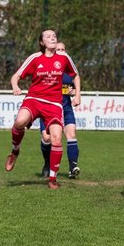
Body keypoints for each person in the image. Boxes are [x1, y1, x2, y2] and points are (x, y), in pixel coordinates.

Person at [7, 29, 79, 189]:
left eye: (54, 36)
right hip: (34, 99)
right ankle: (15, 150)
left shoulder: (64, 58)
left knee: (56, 139)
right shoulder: (35, 58)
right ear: (42, 42)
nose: (53, 38)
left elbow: (75, 75)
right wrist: (15, 86)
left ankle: (52, 179)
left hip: (54, 104)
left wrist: (78, 94)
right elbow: (16, 76)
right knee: (20, 121)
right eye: (48, 36)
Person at [37, 41, 82, 178]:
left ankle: (73, 167)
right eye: (58, 49)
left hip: (66, 108)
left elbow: (76, 78)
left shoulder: (68, 68)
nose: (61, 51)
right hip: (48, 109)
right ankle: (47, 162)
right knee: (47, 138)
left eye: (63, 49)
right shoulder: (49, 66)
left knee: (71, 135)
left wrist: (76, 93)